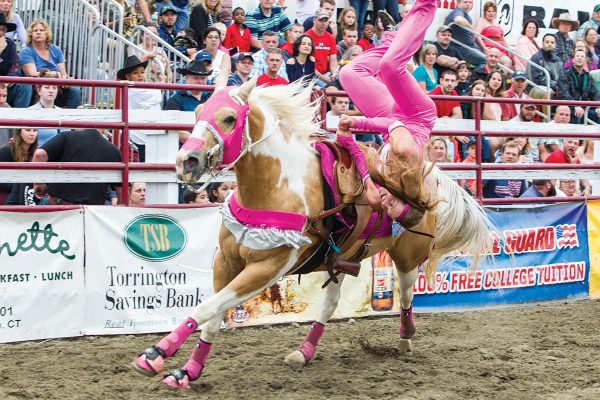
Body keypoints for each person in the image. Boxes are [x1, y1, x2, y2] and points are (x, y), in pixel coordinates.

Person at [337, 1, 439, 231]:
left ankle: (391, 36)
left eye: (387, 207)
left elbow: (363, 162)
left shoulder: (381, 188)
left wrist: (346, 141)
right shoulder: (408, 155)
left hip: (391, 120)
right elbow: (393, 125)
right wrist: (357, 122)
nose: (384, 202)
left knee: (349, 73)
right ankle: (426, 5)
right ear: (406, 196)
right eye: (392, 202)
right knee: (391, 67)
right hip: (415, 115)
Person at [32, 128, 122, 205]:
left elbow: (39, 155)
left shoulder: (66, 136)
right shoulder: (114, 151)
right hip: (91, 212)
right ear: (102, 129)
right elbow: (122, 192)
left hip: (57, 203)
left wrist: (38, 183)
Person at [19, 20, 81, 109]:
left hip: (56, 84)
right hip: (37, 85)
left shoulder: (55, 49)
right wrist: (54, 74)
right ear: (30, 34)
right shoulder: (26, 51)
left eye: (41, 30)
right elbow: (32, 74)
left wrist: (64, 78)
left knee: (75, 90)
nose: (38, 32)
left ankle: (73, 119)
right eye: (35, 31)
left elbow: (63, 73)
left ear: (47, 33)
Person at [117, 55, 163, 162]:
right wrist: (162, 81)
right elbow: (158, 94)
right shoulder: (134, 90)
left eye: (142, 72)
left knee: (150, 160)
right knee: (147, 160)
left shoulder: (134, 89)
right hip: (144, 133)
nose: (140, 75)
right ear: (127, 76)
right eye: (135, 73)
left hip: (149, 131)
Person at [165, 60, 212, 144]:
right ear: (186, 78)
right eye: (195, 78)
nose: (200, 82)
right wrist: (201, 143)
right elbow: (177, 131)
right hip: (184, 149)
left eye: (203, 78)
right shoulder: (174, 100)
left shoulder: (211, 97)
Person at [556, 49, 600, 124]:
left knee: (597, 114)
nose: (579, 58)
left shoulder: (587, 75)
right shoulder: (565, 73)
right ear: (573, 59)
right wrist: (575, 106)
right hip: (569, 107)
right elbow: (564, 93)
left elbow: (594, 93)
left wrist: (597, 107)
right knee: (578, 114)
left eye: (582, 56)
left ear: (585, 60)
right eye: (577, 56)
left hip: (584, 108)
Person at [0, 127, 37, 204]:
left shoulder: (36, 153)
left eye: (35, 130)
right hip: (7, 194)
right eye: (28, 130)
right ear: (19, 132)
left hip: (28, 193)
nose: (32, 134)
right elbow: (2, 182)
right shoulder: (6, 151)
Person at [444, 0, 486, 67]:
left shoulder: (465, 15)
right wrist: (472, 28)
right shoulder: (458, 11)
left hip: (470, 48)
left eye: (470, 3)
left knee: (492, 57)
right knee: (488, 60)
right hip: (462, 49)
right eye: (465, 2)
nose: (468, 4)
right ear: (458, 3)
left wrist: (484, 49)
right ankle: (475, 76)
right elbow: (458, 20)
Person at [474, 0, 512, 68]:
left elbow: (502, 38)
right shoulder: (482, 21)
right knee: (507, 62)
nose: (491, 13)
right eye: (489, 11)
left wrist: (508, 50)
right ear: (485, 12)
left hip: (501, 50)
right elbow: (476, 36)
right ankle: (499, 77)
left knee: (513, 58)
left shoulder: (496, 22)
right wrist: (485, 49)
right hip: (491, 51)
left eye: (493, 11)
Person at [306, 8, 338, 85]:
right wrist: (323, 78)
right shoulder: (307, 37)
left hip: (325, 74)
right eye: (321, 20)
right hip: (310, 76)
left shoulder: (330, 37)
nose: (323, 23)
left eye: (326, 20)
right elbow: (306, 64)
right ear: (314, 20)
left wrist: (334, 75)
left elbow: (333, 61)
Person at [528, 33, 562, 99]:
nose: (550, 44)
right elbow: (537, 79)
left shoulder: (558, 60)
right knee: (549, 92)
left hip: (554, 87)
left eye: (552, 42)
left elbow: (562, 77)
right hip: (536, 87)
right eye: (547, 42)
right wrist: (555, 86)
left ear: (555, 45)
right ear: (542, 43)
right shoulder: (536, 58)